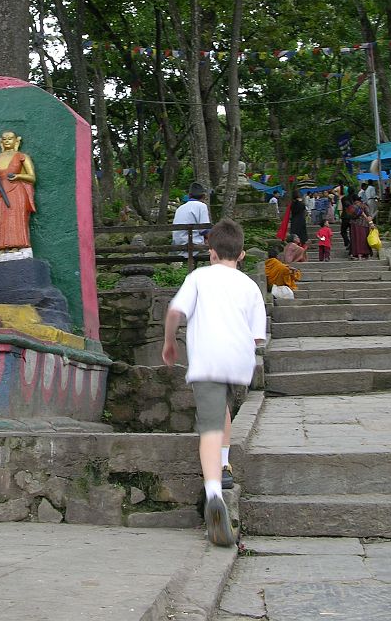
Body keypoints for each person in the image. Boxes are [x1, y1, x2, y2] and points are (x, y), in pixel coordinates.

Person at [161, 219, 266, 547]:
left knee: (208, 427)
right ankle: (224, 464)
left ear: (211, 253)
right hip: (238, 363)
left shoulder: (198, 277)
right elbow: (258, 338)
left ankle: (213, 496)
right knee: (222, 410)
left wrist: (169, 343)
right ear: (242, 254)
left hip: (208, 359)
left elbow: (174, 312)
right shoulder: (249, 286)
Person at [0, 131, 36, 254]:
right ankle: (1, 246)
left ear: (16, 141)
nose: (7, 141)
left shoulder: (22, 157)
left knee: (15, 217)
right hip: (2, 193)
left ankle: (17, 245)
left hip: (17, 192)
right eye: (4, 139)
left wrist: (18, 176)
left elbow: (32, 177)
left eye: (10, 138)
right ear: (1, 141)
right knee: (2, 218)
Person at [171, 182, 211, 248]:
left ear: (189, 196)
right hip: (192, 247)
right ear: (203, 196)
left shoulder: (180, 208)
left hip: (178, 247)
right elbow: (204, 230)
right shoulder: (202, 206)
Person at [347, 195, 375, 260]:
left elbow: (349, 216)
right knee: (363, 240)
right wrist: (371, 224)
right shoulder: (364, 205)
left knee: (355, 239)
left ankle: (356, 254)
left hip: (354, 225)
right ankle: (364, 254)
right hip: (363, 225)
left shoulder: (351, 207)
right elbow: (369, 216)